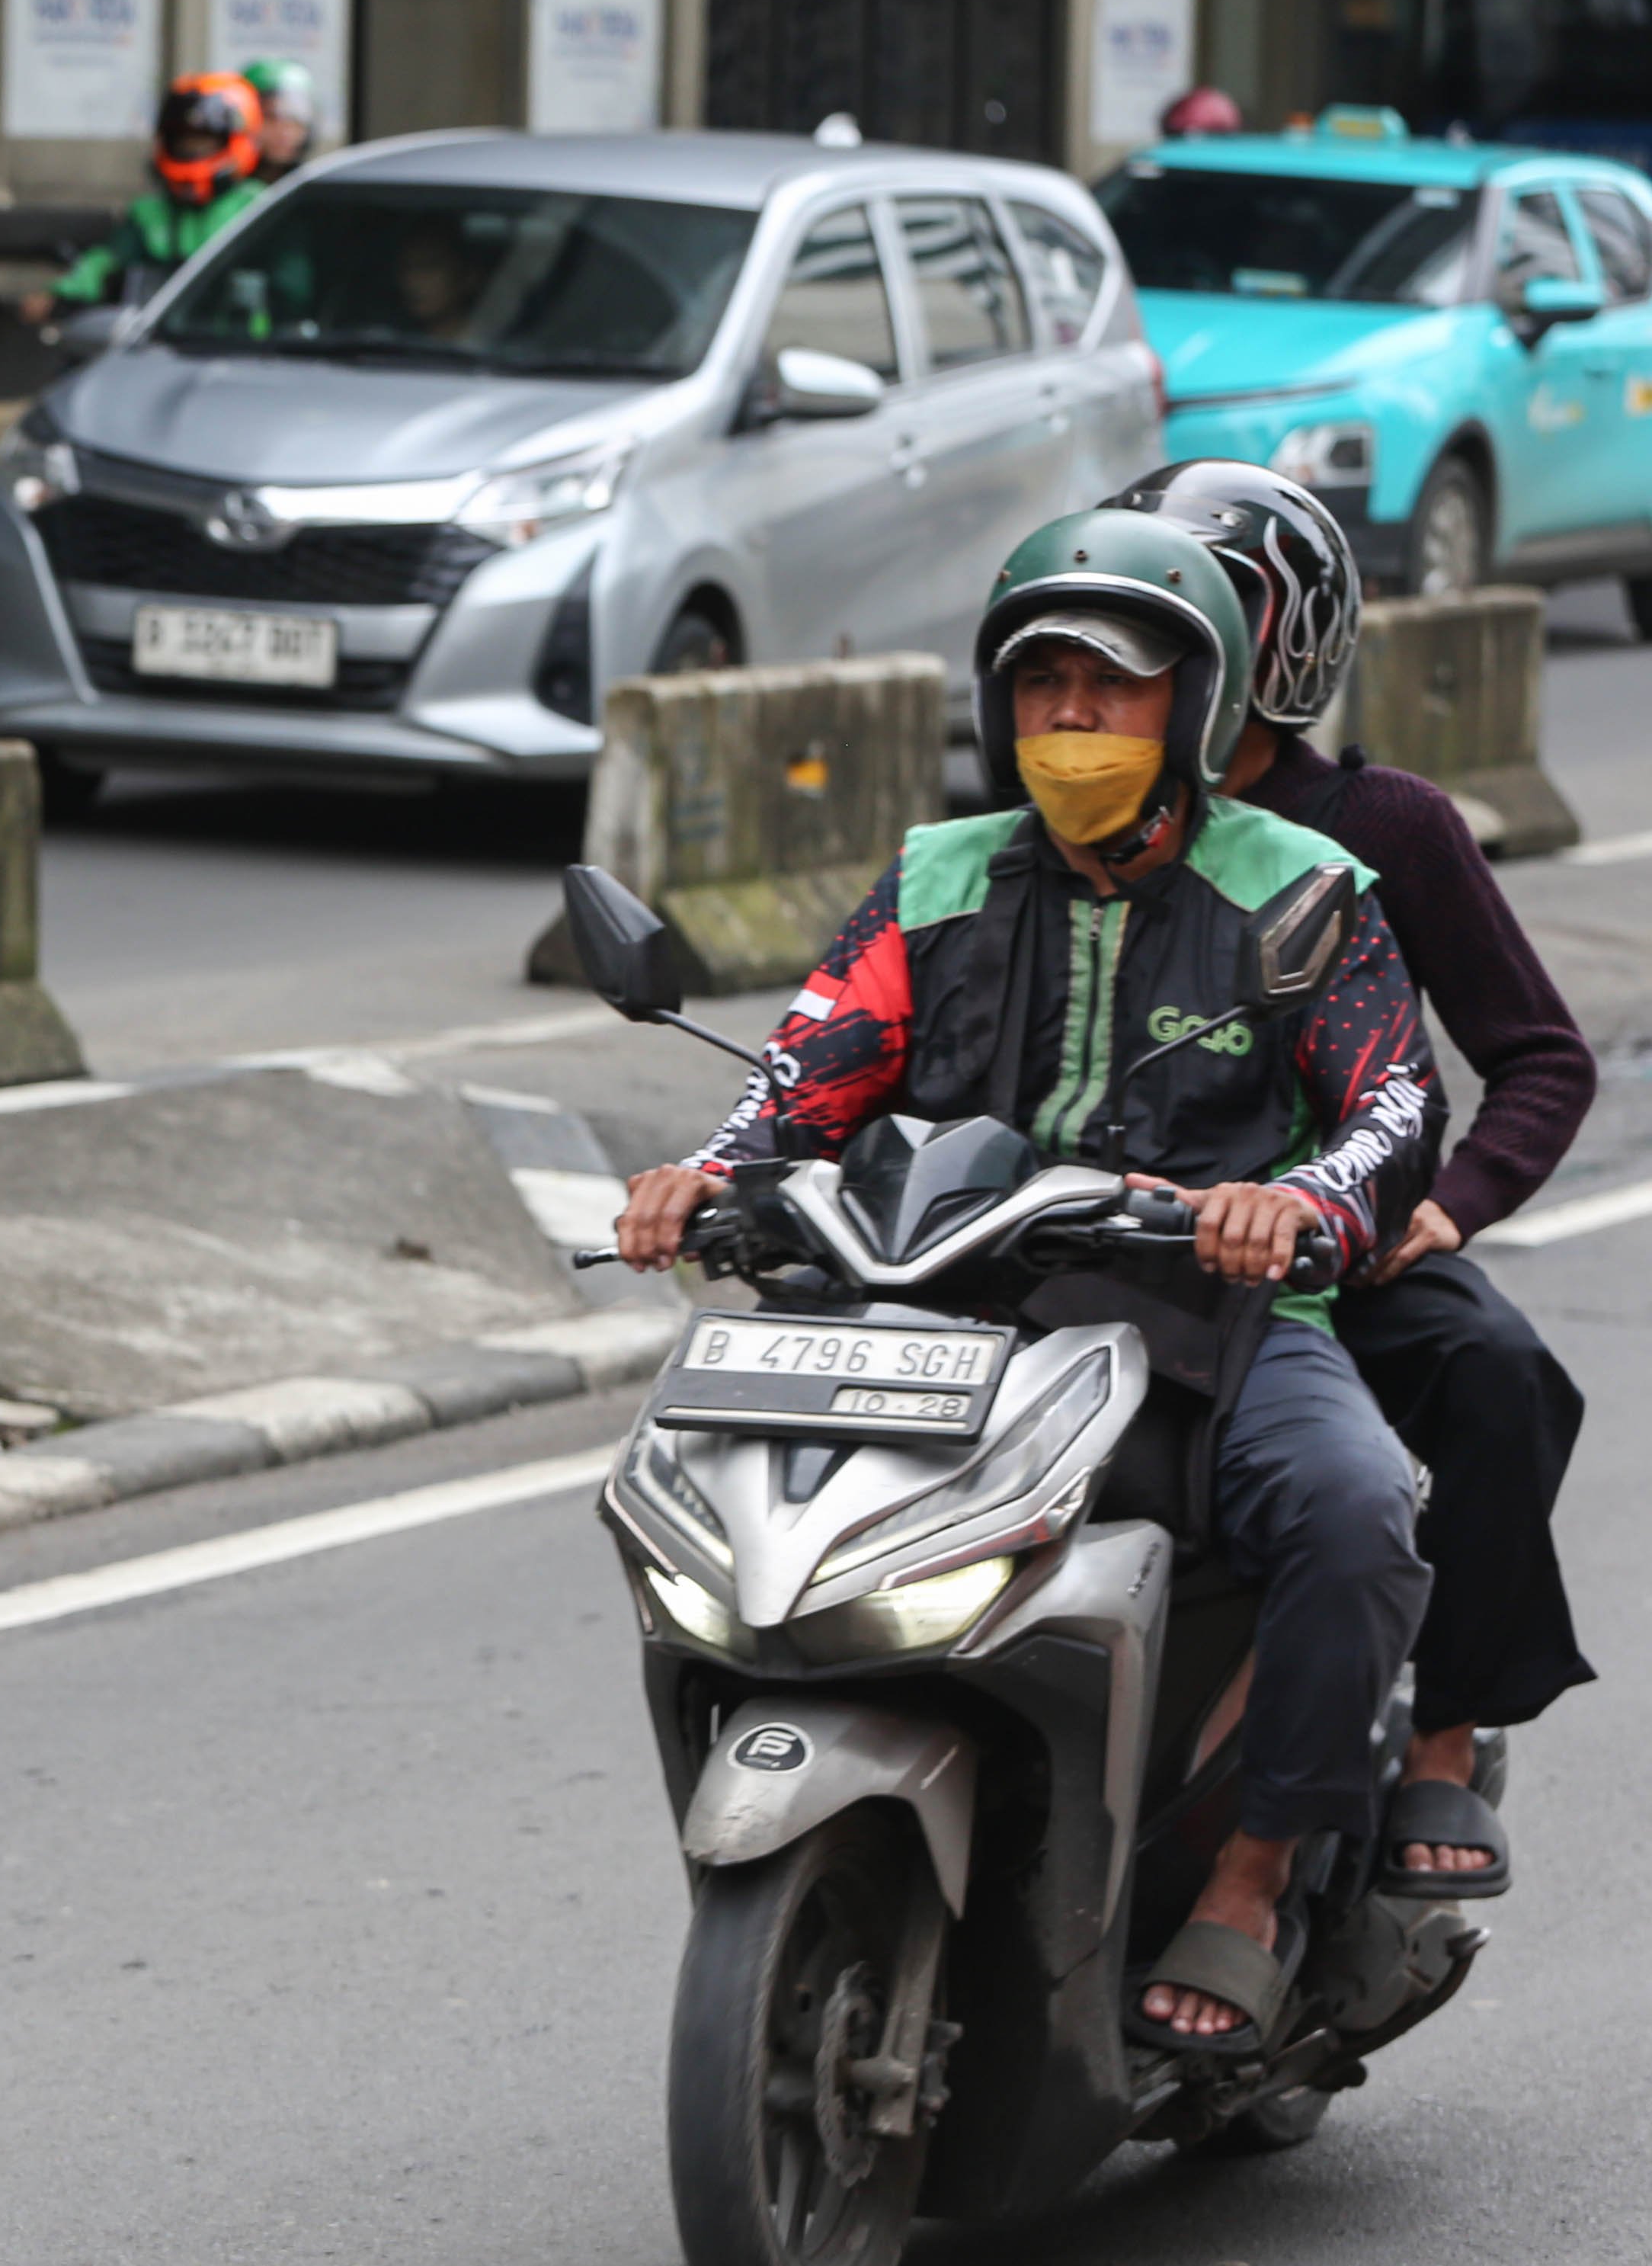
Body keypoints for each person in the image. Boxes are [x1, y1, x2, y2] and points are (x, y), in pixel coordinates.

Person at [610, 510, 1443, 2056]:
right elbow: (805, 1074)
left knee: (1351, 1510)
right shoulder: (936, 878)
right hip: (939, 1309)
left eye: (1110, 686)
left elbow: (1394, 1105)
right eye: (1039, 682)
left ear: (1188, 708)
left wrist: (1295, 1201)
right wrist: (707, 1178)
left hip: (1214, 1320)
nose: (1069, 716)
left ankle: (1253, 1880)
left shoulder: (1300, 890)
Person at [1101, 458, 1596, 1904]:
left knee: (1496, 1369)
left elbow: (1540, 1059)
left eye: (1210, 613)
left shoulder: (1388, 831)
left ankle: (1440, 1738)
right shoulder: (1058, 834)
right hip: (1101, 1249)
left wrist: (1444, 1207)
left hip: (1330, 1252)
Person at [25, 72, 267, 323]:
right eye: (185, 143)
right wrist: (62, 295)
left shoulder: (260, 207)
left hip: (247, 350)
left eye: (204, 142)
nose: (193, 152)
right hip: (161, 345)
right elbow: (106, 262)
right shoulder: (148, 214)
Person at [241, 56, 319, 175]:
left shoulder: (312, 185)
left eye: (295, 120)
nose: (284, 132)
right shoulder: (224, 188)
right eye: (271, 118)